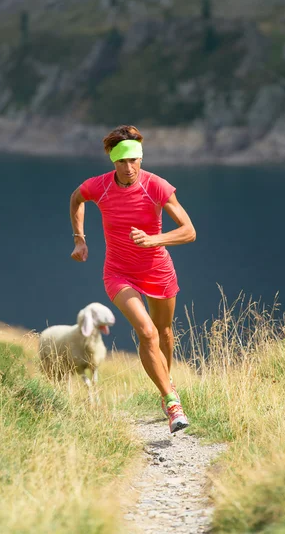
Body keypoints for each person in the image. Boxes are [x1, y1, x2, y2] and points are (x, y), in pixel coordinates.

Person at [69, 125, 196, 433]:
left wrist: (155, 240)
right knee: (148, 333)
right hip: (118, 272)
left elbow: (189, 231)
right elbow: (76, 199)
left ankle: (167, 384)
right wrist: (79, 239)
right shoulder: (98, 187)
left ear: (141, 158)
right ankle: (171, 401)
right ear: (113, 162)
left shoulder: (156, 186)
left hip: (158, 270)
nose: (128, 168)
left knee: (164, 333)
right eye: (121, 162)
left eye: (134, 160)